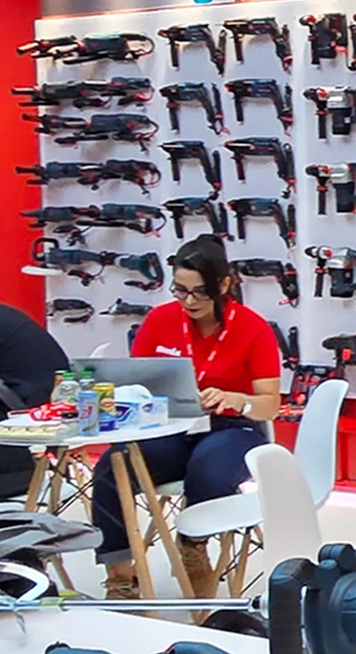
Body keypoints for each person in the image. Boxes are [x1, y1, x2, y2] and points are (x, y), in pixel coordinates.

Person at [96, 235, 281, 600]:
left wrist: (235, 399)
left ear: (224, 285)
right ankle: (120, 575)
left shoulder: (253, 328)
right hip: (169, 425)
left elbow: (270, 405)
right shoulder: (160, 319)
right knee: (111, 466)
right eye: (180, 291)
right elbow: (137, 383)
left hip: (233, 427)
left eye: (200, 292)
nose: (189, 301)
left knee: (208, 468)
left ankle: (193, 546)